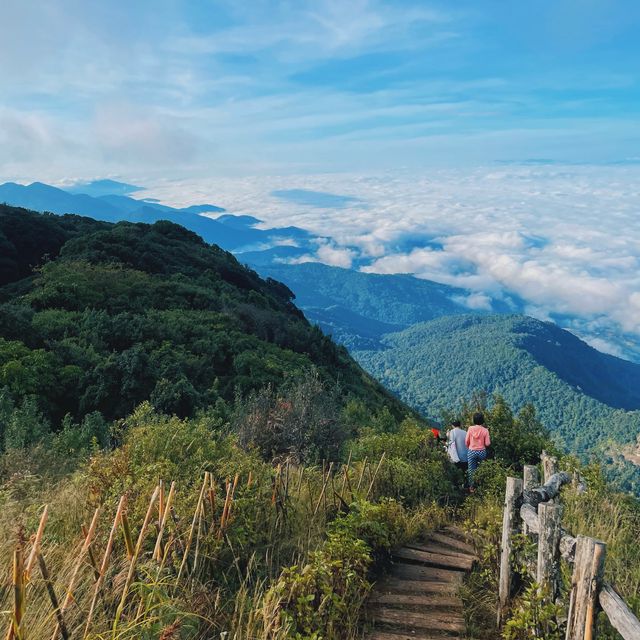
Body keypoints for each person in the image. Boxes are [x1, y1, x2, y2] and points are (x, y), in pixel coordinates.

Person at [465, 412, 491, 491]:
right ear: (482, 420)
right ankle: (480, 486)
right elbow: (487, 443)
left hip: (471, 451)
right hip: (481, 452)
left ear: (474, 420)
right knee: (481, 469)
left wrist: (469, 447)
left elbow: (466, 441)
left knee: (471, 470)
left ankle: (472, 488)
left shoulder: (470, 428)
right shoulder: (485, 430)